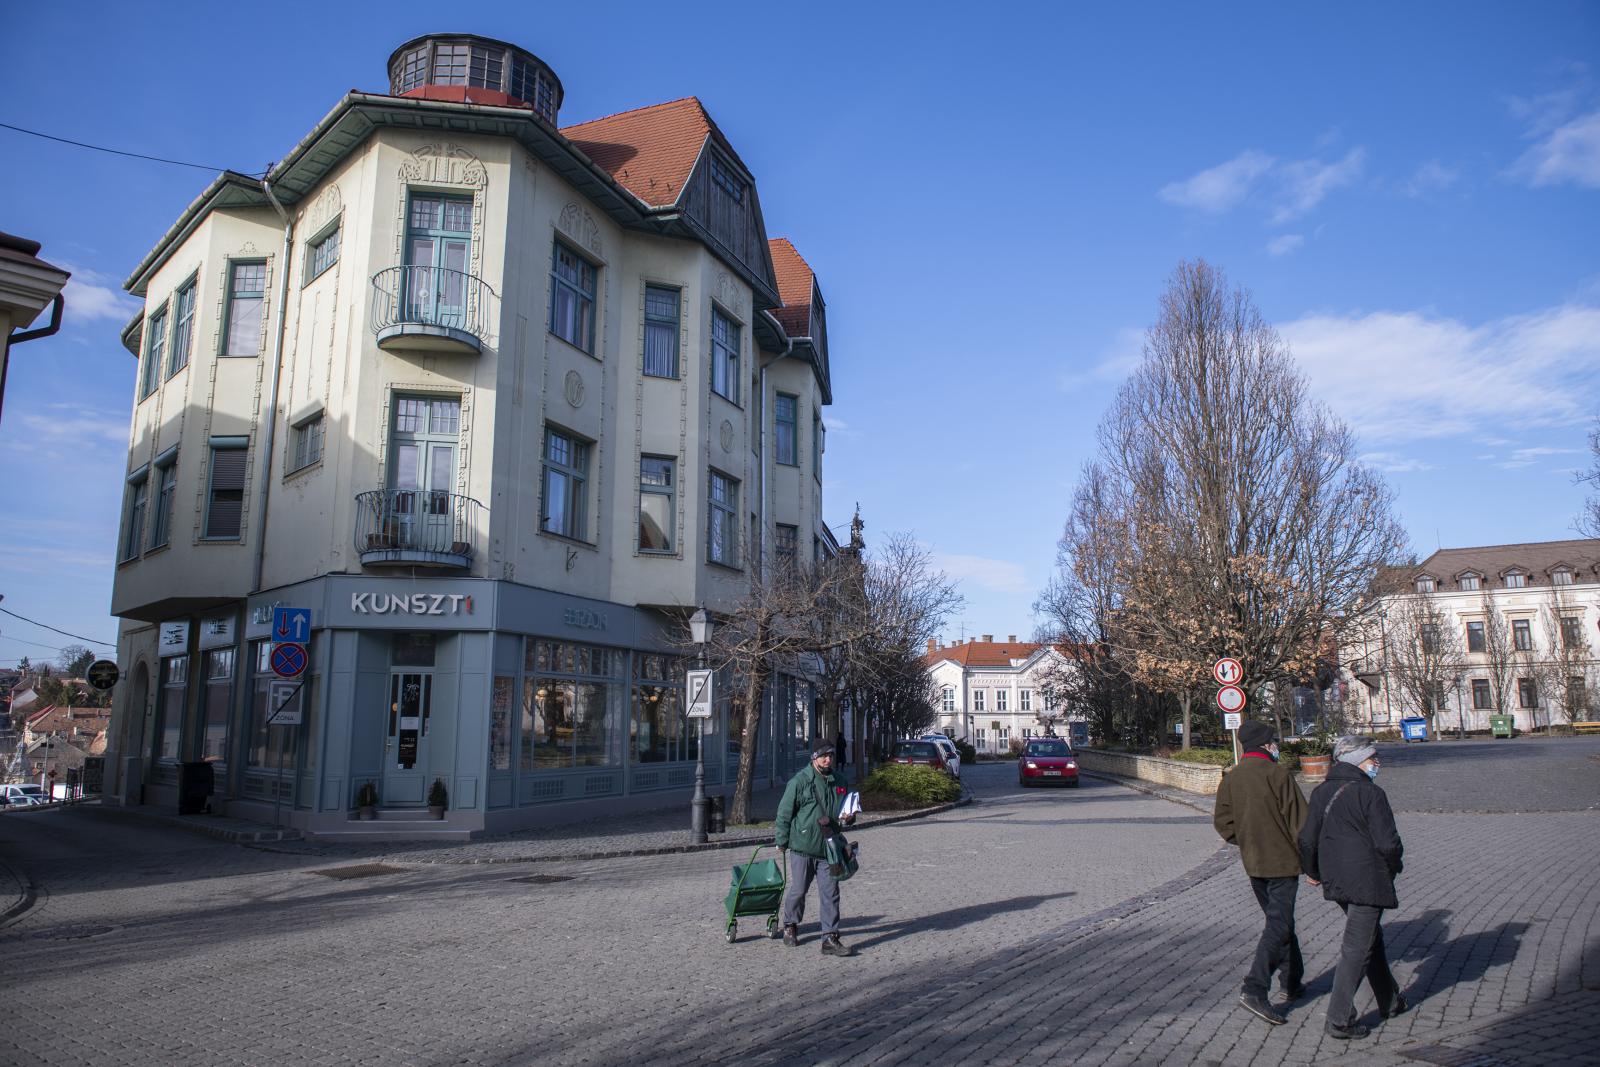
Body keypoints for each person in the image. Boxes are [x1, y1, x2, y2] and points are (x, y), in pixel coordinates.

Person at [1298, 735, 1406, 1040]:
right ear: (1358, 761)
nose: (1376, 763)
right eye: (1372, 758)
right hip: (1366, 879)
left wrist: (1313, 871)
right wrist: (1394, 866)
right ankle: (1339, 1019)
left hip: (1337, 879)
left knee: (1372, 939)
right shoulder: (1371, 794)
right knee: (1357, 948)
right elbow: (1387, 843)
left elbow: (1307, 838)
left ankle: (1390, 1001)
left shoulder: (1320, 792)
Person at [1213, 719, 1308, 1026]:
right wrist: (1313, 863)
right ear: (1267, 745)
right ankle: (1255, 988)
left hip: (1253, 862)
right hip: (1282, 862)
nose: (1277, 747)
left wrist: (1246, 840)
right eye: (1274, 742)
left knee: (1279, 921)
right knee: (1278, 925)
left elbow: (1223, 823)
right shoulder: (1277, 774)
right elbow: (1301, 823)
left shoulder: (1232, 777)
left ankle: (1291, 981)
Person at [776, 741, 857, 957]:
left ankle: (830, 937)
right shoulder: (800, 782)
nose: (828, 759)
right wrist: (781, 841)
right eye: (823, 756)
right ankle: (790, 924)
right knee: (799, 889)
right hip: (802, 848)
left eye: (831, 755)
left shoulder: (840, 781)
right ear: (814, 758)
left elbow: (845, 811)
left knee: (831, 893)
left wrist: (849, 818)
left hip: (829, 849)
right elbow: (784, 813)